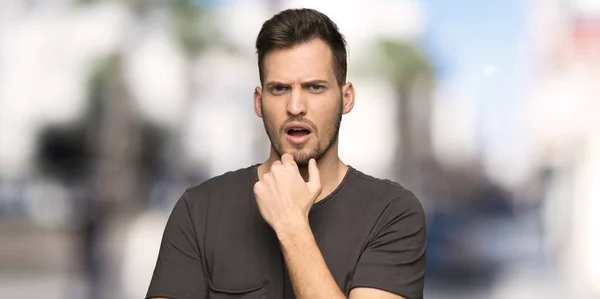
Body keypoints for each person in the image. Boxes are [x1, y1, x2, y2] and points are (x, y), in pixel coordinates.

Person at [146, 8, 426, 299]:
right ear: (259, 102)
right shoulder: (199, 209)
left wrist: (292, 226)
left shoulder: (393, 212)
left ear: (346, 98)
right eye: (279, 89)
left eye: (314, 87)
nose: (295, 106)